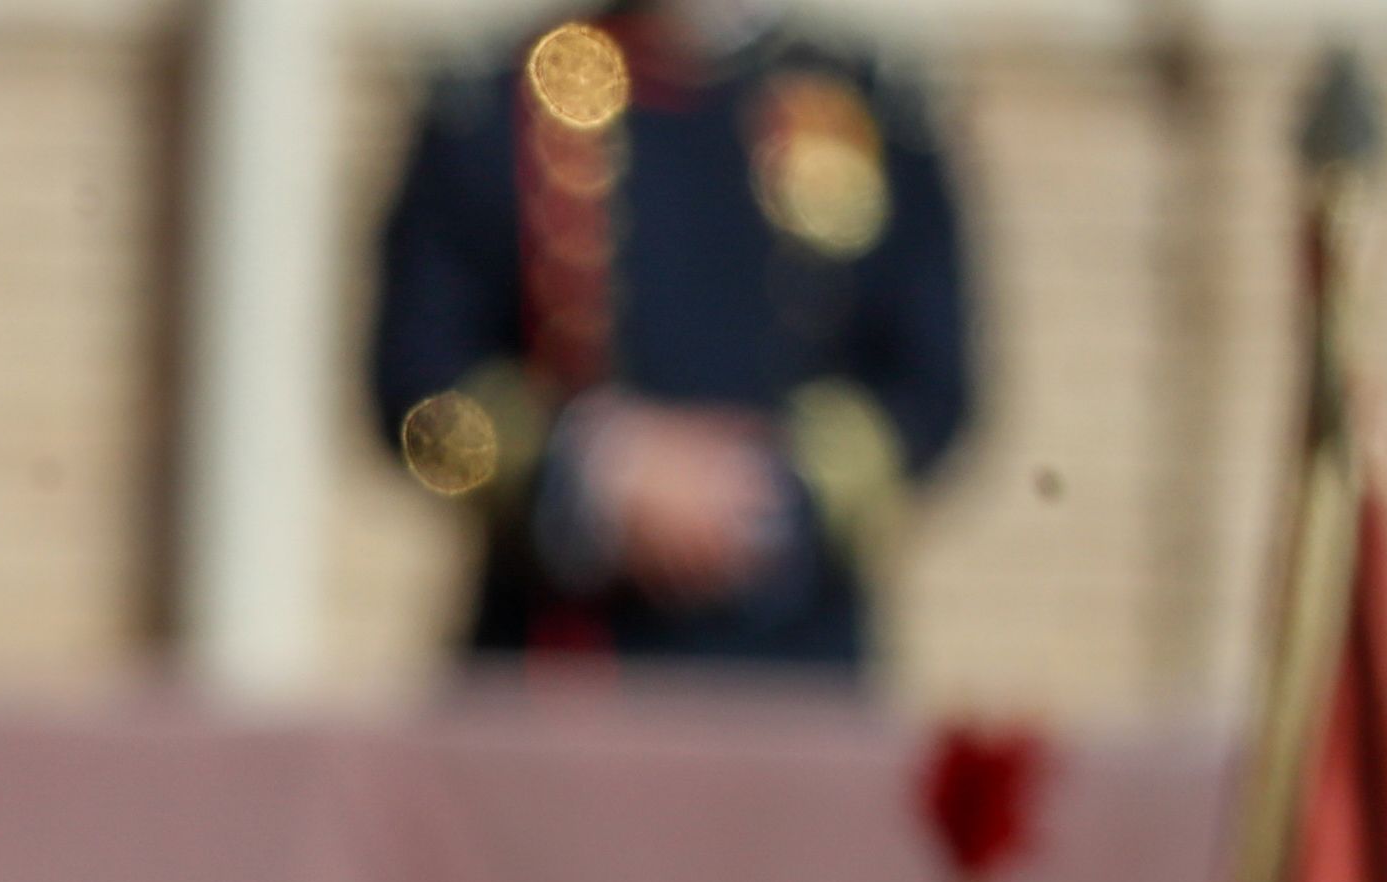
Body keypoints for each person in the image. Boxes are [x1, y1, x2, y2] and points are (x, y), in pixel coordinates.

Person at [369, 1, 971, 672]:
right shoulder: (493, 105)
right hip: (558, 663)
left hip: (796, 664)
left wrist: (772, 487)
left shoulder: (867, 109)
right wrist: (597, 473)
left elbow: (931, 391)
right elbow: (419, 387)